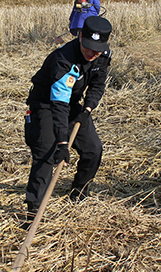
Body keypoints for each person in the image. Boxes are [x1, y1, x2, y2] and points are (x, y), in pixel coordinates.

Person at [23, 16, 112, 225]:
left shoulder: (102, 55)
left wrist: (87, 110)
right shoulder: (62, 59)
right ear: (80, 36)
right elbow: (58, 105)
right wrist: (62, 143)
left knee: (93, 149)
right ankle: (34, 211)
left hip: (72, 104)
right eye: (88, 48)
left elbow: (98, 85)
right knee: (46, 153)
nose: (92, 54)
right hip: (45, 104)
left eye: (96, 50)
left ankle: (79, 193)